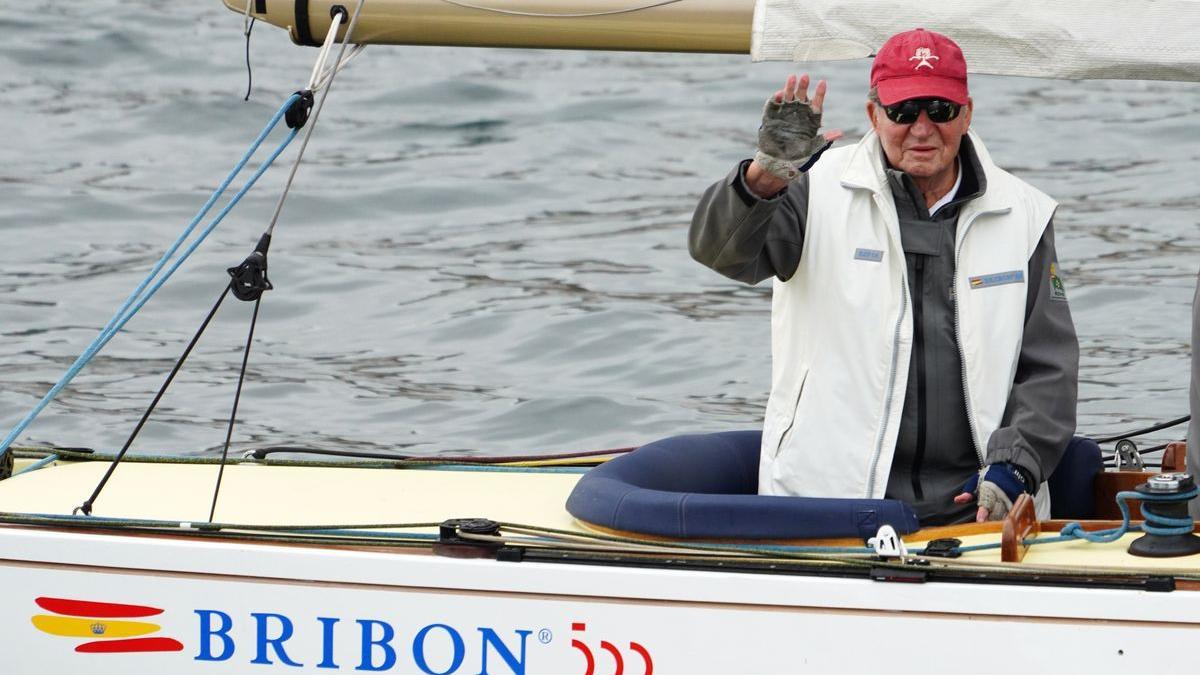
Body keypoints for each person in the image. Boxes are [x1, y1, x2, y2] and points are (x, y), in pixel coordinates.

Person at [689, 28, 1079, 525]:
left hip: (979, 508)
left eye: (940, 110)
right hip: (827, 506)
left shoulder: (1025, 213)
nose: (922, 128)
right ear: (873, 115)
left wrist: (1016, 468)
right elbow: (719, 254)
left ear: (967, 113)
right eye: (902, 111)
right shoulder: (811, 188)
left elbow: (1050, 367)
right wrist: (764, 176)